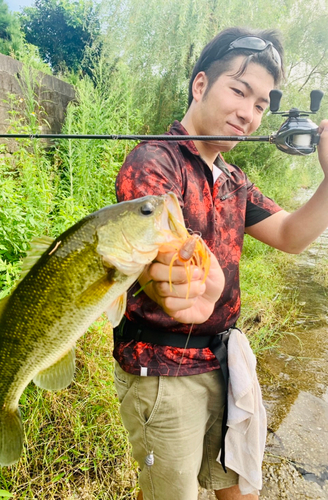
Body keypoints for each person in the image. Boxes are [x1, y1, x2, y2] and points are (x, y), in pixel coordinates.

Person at [113, 26, 328, 500]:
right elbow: (166, 277)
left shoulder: (233, 178)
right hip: (163, 373)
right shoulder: (154, 162)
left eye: (260, 105)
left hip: (223, 363)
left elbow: (292, 236)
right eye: (239, 91)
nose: (249, 114)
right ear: (201, 85)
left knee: (241, 492)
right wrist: (201, 287)